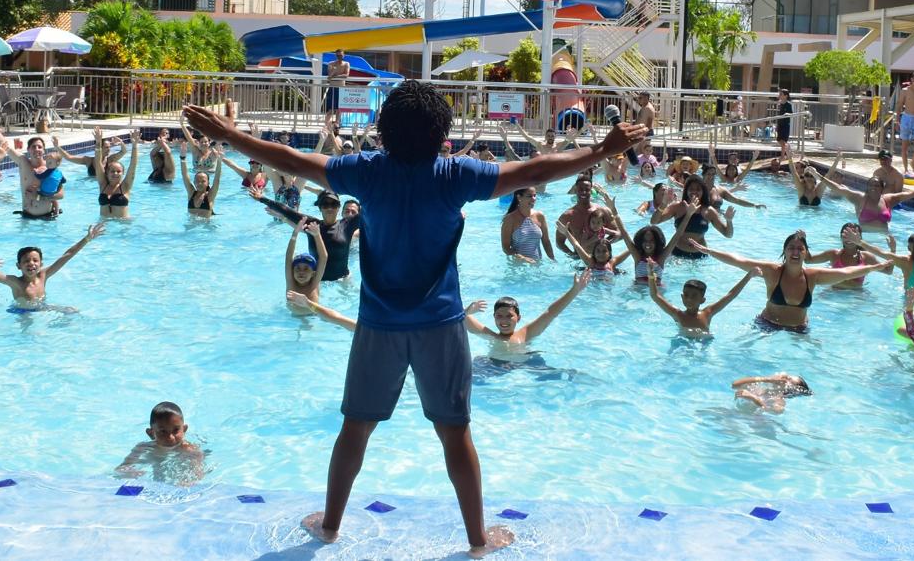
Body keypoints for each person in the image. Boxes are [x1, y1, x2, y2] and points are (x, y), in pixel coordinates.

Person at [182, 82, 645, 556]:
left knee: (355, 427)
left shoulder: (364, 173)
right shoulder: (453, 175)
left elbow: (293, 161)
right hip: (440, 325)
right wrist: (602, 149)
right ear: (441, 133)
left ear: (383, 130)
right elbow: (534, 168)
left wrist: (230, 134)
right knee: (455, 432)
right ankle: (477, 541)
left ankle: (330, 526)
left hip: (379, 324)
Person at [694, 231, 890, 332]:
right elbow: (739, 260)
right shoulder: (772, 271)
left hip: (800, 330)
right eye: (791, 248)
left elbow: (847, 272)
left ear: (806, 253)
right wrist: (709, 251)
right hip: (767, 326)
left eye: (800, 249)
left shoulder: (813, 276)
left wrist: (874, 267)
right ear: (784, 252)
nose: (795, 252)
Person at [0, 223, 105, 310]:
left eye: (35, 260)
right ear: (18, 266)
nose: (31, 264)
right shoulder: (15, 282)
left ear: (41, 264)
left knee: (72, 311)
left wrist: (87, 239)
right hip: (21, 312)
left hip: (42, 307)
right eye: (26, 261)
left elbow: (66, 256)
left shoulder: (44, 275)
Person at [463, 271, 589, 347]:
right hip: (497, 367)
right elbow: (459, 318)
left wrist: (574, 291)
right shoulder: (490, 335)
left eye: (509, 315)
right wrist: (467, 312)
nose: (504, 320)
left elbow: (550, 313)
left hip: (524, 365)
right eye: (499, 316)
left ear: (518, 318)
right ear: (494, 317)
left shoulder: (525, 334)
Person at [262, 189, 359, 281]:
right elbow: (290, 214)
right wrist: (283, 217)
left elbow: (370, 211)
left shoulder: (348, 226)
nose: (329, 208)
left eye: (333, 205)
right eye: (325, 205)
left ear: (338, 208)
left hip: (344, 276)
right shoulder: (313, 226)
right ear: (320, 208)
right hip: (317, 280)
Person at [115, 401, 205, 485]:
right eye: (163, 431)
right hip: (156, 484)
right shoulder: (143, 448)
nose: (170, 437)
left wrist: (188, 482)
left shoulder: (190, 450)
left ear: (184, 430)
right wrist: (129, 472)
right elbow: (121, 468)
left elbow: (198, 473)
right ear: (151, 433)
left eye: (176, 430)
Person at [648, 267, 756, 336]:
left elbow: (731, 295)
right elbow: (655, 296)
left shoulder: (707, 313)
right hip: (681, 348)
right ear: (682, 297)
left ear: (702, 300)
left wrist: (748, 276)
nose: (689, 299)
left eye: (694, 296)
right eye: (686, 295)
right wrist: (650, 273)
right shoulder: (677, 314)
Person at [816, 171, 914, 235]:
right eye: (871, 185)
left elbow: (910, 194)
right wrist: (819, 177)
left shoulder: (887, 200)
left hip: (883, 239)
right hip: (866, 240)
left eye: (876, 185)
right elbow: (839, 188)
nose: (873, 188)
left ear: (882, 188)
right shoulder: (859, 198)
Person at [0, 124, 60, 219]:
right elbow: (4, 145)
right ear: (28, 150)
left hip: (48, 218)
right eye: (33, 147)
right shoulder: (23, 162)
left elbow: (61, 194)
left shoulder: (51, 167)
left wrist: (39, 194)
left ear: (44, 150)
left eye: (39, 147)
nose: (36, 149)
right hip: (27, 217)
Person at [654, 177, 734, 256]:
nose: (694, 191)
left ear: (703, 191)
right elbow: (654, 221)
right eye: (691, 189)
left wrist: (729, 221)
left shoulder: (709, 211)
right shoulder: (678, 207)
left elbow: (728, 234)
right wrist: (663, 204)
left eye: (698, 189)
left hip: (700, 255)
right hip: (677, 253)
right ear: (686, 191)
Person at [804, 223, 895, 290]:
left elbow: (888, 271)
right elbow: (808, 260)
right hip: (833, 294)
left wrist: (893, 250)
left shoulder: (866, 257)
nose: (849, 238)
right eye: (846, 235)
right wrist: (803, 241)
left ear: (860, 238)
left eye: (853, 234)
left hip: (855, 297)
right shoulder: (833, 254)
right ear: (841, 237)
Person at [556, 175, 619, 256]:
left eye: (587, 190)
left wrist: (605, 244)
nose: (584, 192)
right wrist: (572, 255)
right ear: (575, 190)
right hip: (579, 258)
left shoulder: (602, 211)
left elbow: (619, 233)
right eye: (581, 189)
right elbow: (559, 242)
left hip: (601, 258)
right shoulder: (567, 216)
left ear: (591, 190)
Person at [285, 218, 329, 310]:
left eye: (306, 269)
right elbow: (288, 258)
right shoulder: (291, 283)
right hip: (292, 319)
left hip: (314, 318)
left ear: (313, 273)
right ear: (292, 271)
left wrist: (317, 235)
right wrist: (295, 233)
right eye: (297, 269)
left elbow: (323, 258)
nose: (301, 272)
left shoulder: (314, 283)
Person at [500, 188, 554, 263]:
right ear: (519, 197)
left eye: (535, 195)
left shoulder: (540, 216)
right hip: (518, 267)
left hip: (537, 265)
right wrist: (523, 258)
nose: (533, 199)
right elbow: (505, 247)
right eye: (529, 196)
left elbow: (546, 242)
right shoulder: (510, 219)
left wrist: (553, 260)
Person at [96, 130, 140, 219]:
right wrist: (98, 144)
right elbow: (97, 162)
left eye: (119, 171)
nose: (115, 173)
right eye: (112, 171)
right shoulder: (103, 185)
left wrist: (134, 146)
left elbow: (133, 165)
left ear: (123, 173)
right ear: (107, 173)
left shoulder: (125, 186)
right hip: (104, 225)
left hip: (122, 227)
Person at [53, 129, 125, 178]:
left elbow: (123, 151)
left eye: (109, 147)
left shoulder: (111, 160)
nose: (109, 150)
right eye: (106, 147)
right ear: (100, 148)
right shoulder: (88, 160)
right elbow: (69, 157)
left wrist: (121, 142)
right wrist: (57, 146)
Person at [179, 142, 223, 216]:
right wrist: (183, 158)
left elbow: (217, 179)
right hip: (191, 226)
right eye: (197, 181)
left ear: (208, 183)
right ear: (194, 182)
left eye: (203, 181)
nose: (199, 183)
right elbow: (184, 175)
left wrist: (219, 160)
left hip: (206, 226)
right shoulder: (191, 193)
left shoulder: (210, 195)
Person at [731, 374, 811, 412]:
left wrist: (754, 399)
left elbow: (777, 412)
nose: (785, 376)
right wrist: (766, 379)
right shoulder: (760, 387)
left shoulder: (778, 400)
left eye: (788, 379)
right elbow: (735, 385)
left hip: (749, 421)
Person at [323, 50, 351, 125]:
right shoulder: (331, 64)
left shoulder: (346, 64)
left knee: (340, 109)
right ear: (336, 56)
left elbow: (346, 75)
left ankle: (337, 124)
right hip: (332, 88)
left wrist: (335, 76)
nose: (339, 57)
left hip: (341, 88)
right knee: (330, 109)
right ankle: (326, 125)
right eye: (338, 55)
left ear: (343, 55)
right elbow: (329, 77)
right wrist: (334, 72)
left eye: (341, 55)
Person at [775, 88, 793, 157]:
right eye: (779, 94)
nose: (779, 95)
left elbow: (791, 113)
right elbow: (779, 115)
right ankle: (788, 150)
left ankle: (783, 156)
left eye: (781, 94)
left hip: (785, 124)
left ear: (786, 96)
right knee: (779, 140)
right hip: (780, 124)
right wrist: (777, 125)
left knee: (783, 141)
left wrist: (787, 114)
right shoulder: (780, 104)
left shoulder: (788, 105)